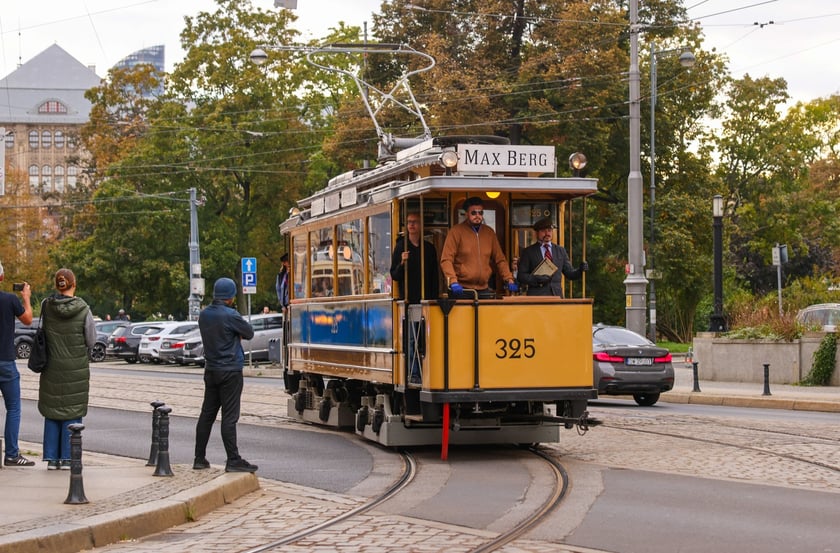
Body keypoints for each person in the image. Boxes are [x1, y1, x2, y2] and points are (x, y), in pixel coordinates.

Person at [193, 277, 258, 473]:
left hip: (211, 370)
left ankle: (199, 457)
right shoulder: (231, 315)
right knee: (229, 417)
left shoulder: (204, 315)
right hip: (230, 370)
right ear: (230, 296)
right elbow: (249, 333)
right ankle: (233, 459)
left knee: (207, 415)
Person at [39, 268, 97, 469]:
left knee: (52, 410)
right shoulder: (83, 308)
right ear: (74, 284)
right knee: (72, 411)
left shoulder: (46, 306)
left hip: (52, 367)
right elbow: (91, 340)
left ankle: (52, 458)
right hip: (76, 369)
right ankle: (68, 458)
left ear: (57, 284)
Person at [440, 197, 518, 299]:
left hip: (483, 289)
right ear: (467, 214)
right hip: (461, 289)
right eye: (473, 213)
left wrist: (509, 279)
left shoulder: (489, 233)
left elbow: (500, 259)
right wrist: (453, 281)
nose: (477, 216)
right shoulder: (455, 232)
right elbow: (446, 260)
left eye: (480, 213)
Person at [0, 262, 35, 467]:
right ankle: (12, 454)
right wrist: (26, 298)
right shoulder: (9, 299)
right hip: (5, 360)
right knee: (13, 408)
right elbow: (28, 319)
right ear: (2, 278)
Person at [517, 217, 588, 297]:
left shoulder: (560, 250)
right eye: (543, 231)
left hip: (556, 296)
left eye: (549, 230)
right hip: (536, 297)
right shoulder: (528, 252)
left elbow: (570, 274)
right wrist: (536, 279)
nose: (547, 233)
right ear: (537, 233)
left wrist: (580, 270)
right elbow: (521, 276)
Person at [389, 212, 439, 303]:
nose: (411, 224)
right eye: (409, 222)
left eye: (415, 222)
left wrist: (434, 299)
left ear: (420, 225)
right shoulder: (401, 246)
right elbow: (394, 275)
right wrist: (402, 263)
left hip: (426, 298)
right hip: (407, 300)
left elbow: (434, 276)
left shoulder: (429, 248)